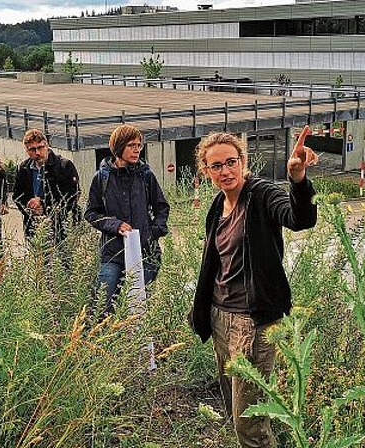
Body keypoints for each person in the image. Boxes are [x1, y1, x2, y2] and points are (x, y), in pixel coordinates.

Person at [190, 126, 318, 448]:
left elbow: (298, 218)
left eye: (231, 162)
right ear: (206, 171)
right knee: (236, 409)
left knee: (250, 423)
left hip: (254, 319)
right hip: (221, 316)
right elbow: (214, 264)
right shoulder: (217, 207)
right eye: (216, 166)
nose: (225, 171)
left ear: (243, 161)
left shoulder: (262, 194)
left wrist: (298, 180)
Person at [84, 124, 169, 315]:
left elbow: (162, 207)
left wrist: (153, 231)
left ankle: (135, 344)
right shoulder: (102, 178)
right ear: (118, 147)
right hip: (112, 254)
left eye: (139, 145)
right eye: (131, 145)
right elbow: (91, 212)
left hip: (145, 253)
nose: (137, 149)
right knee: (102, 306)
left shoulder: (145, 175)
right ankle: (101, 341)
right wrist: (114, 225)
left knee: (137, 308)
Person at [13, 128, 80, 244]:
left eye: (40, 147)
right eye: (32, 149)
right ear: (26, 150)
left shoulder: (64, 166)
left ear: (47, 145)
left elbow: (73, 196)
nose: (37, 153)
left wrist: (44, 204)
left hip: (61, 227)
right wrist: (30, 208)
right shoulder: (23, 168)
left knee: (62, 260)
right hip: (33, 226)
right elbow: (17, 196)